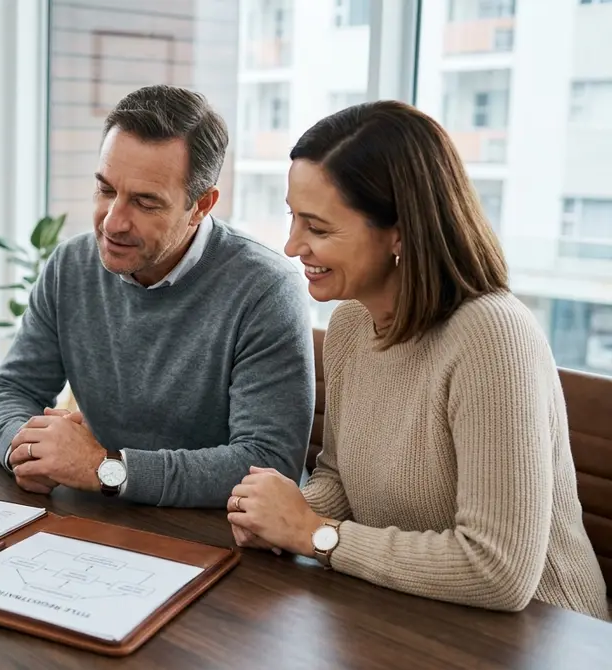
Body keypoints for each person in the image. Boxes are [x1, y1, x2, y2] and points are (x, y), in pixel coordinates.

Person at [226, 100, 609, 621]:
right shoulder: (351, 324)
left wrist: (314, 534)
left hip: (543, 632)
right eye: (293, 217)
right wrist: (282, 517)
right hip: (411, 611)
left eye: (318, 228)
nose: (293, 246)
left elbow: (497, 570)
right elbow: (340, 478)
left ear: (400, 231)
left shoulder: (492, 336)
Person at [0, 84, 315, 507]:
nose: (113, 222)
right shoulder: (71, 266)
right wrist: (26, 450)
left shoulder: (265, 289)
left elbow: (268, 462)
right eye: (106, 190)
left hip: (222, 530)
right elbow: (11, 390)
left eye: (145, 202)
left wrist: (106, 469)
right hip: (110, 513)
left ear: (201, 206)